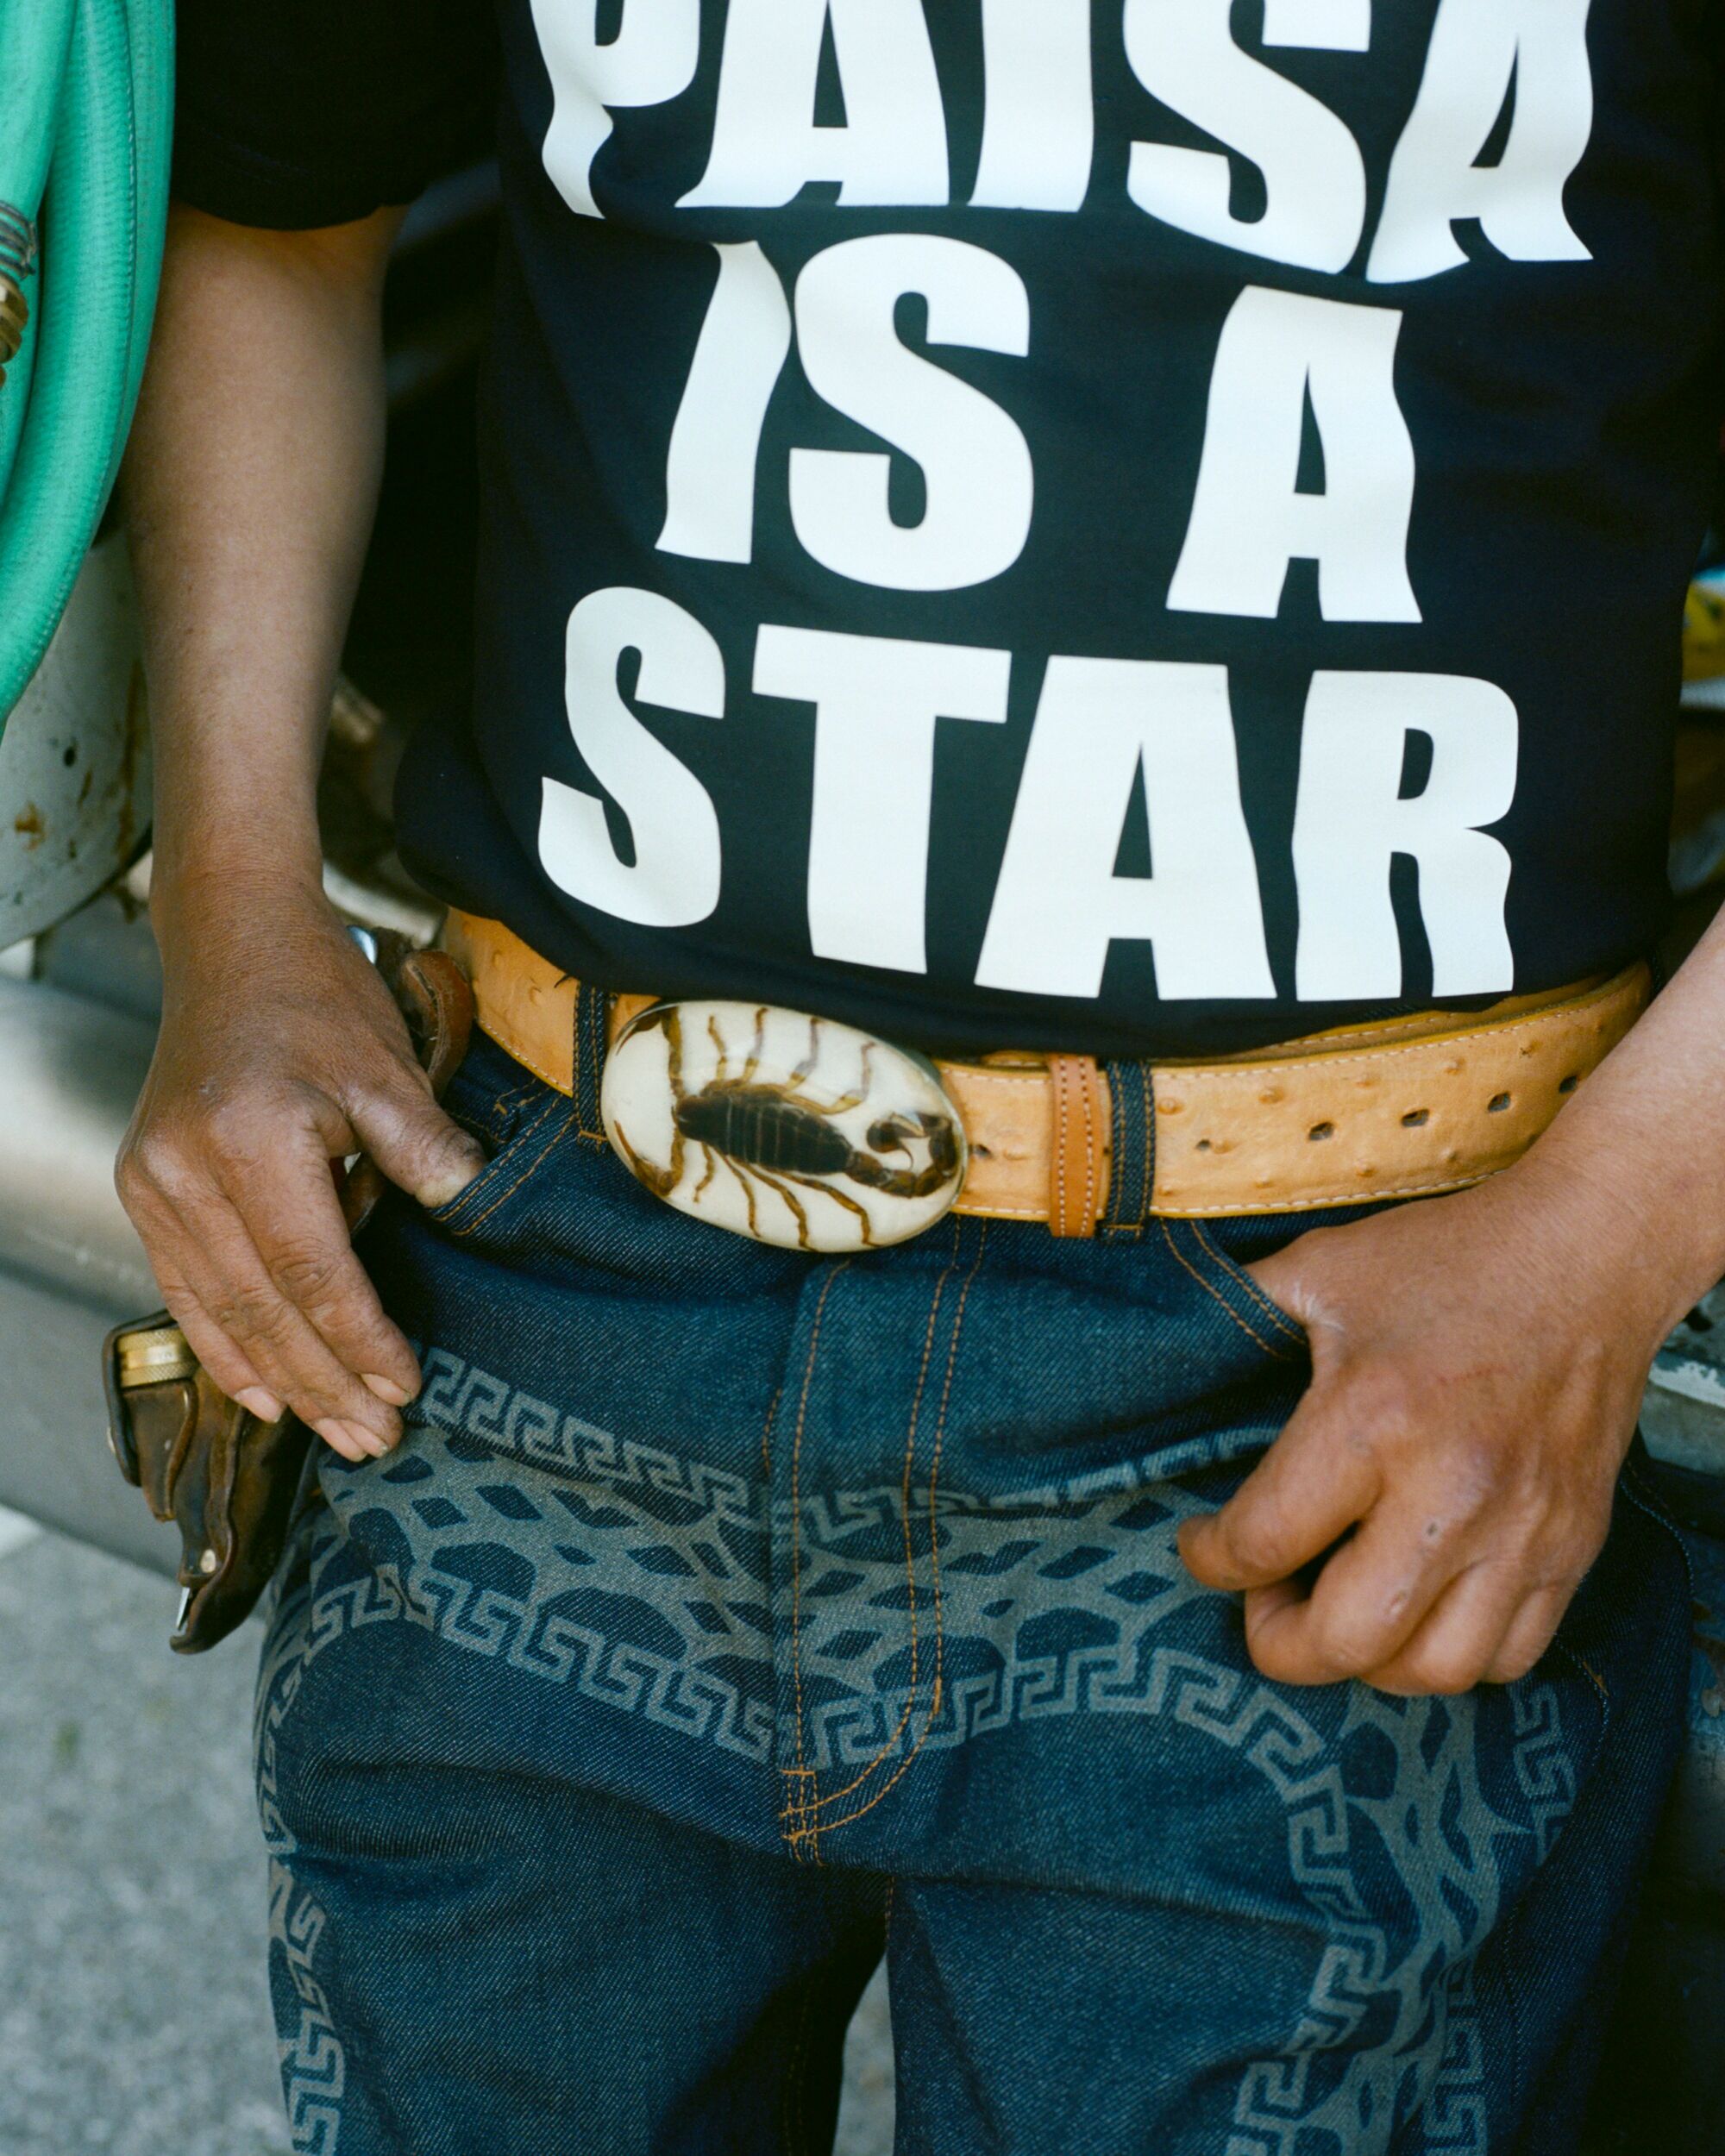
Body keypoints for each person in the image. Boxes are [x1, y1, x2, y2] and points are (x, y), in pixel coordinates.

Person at [116, 3, 1725, 2149]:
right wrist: (236, 912)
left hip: (1323, 1366)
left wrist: (1604, 1242)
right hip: (539, 1289)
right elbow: (277, 214)